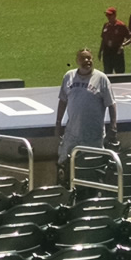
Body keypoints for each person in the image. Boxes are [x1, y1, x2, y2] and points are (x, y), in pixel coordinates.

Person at [55, 48, 117, 184]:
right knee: (64, 164)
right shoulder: (69, 76)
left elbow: (111, 104)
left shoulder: (101, 79)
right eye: (83, 58)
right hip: (72, 133)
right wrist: (58, 123)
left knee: (91, 168)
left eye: (89, 58)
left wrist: (113, 126)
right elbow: (63, 101)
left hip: (93, 135)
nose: (87, 61)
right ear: (77, 61)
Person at [99, 8, 131, 74]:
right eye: (107, 15)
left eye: (110, 15)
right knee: (107, 72)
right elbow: (103, 39)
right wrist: (100, 51)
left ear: (115, 15)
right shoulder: (106, 25)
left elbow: (130, 38)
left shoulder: (121, 25)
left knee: (119, 72)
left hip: (117, 51)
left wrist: (123, 45)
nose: (108, 17)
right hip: (107, 51)